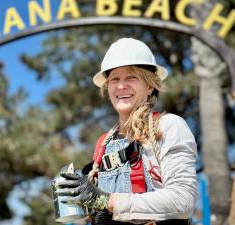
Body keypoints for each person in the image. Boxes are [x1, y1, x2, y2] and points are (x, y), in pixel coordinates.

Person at [56, 38, 198, 225]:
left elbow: (183, 200)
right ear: (108, 87)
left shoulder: (168, 126)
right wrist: (81, 197)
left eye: (131, 77)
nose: (121, 86)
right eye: (114, 79)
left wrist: (107, 200)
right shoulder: (103, 143)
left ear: (149, 85)